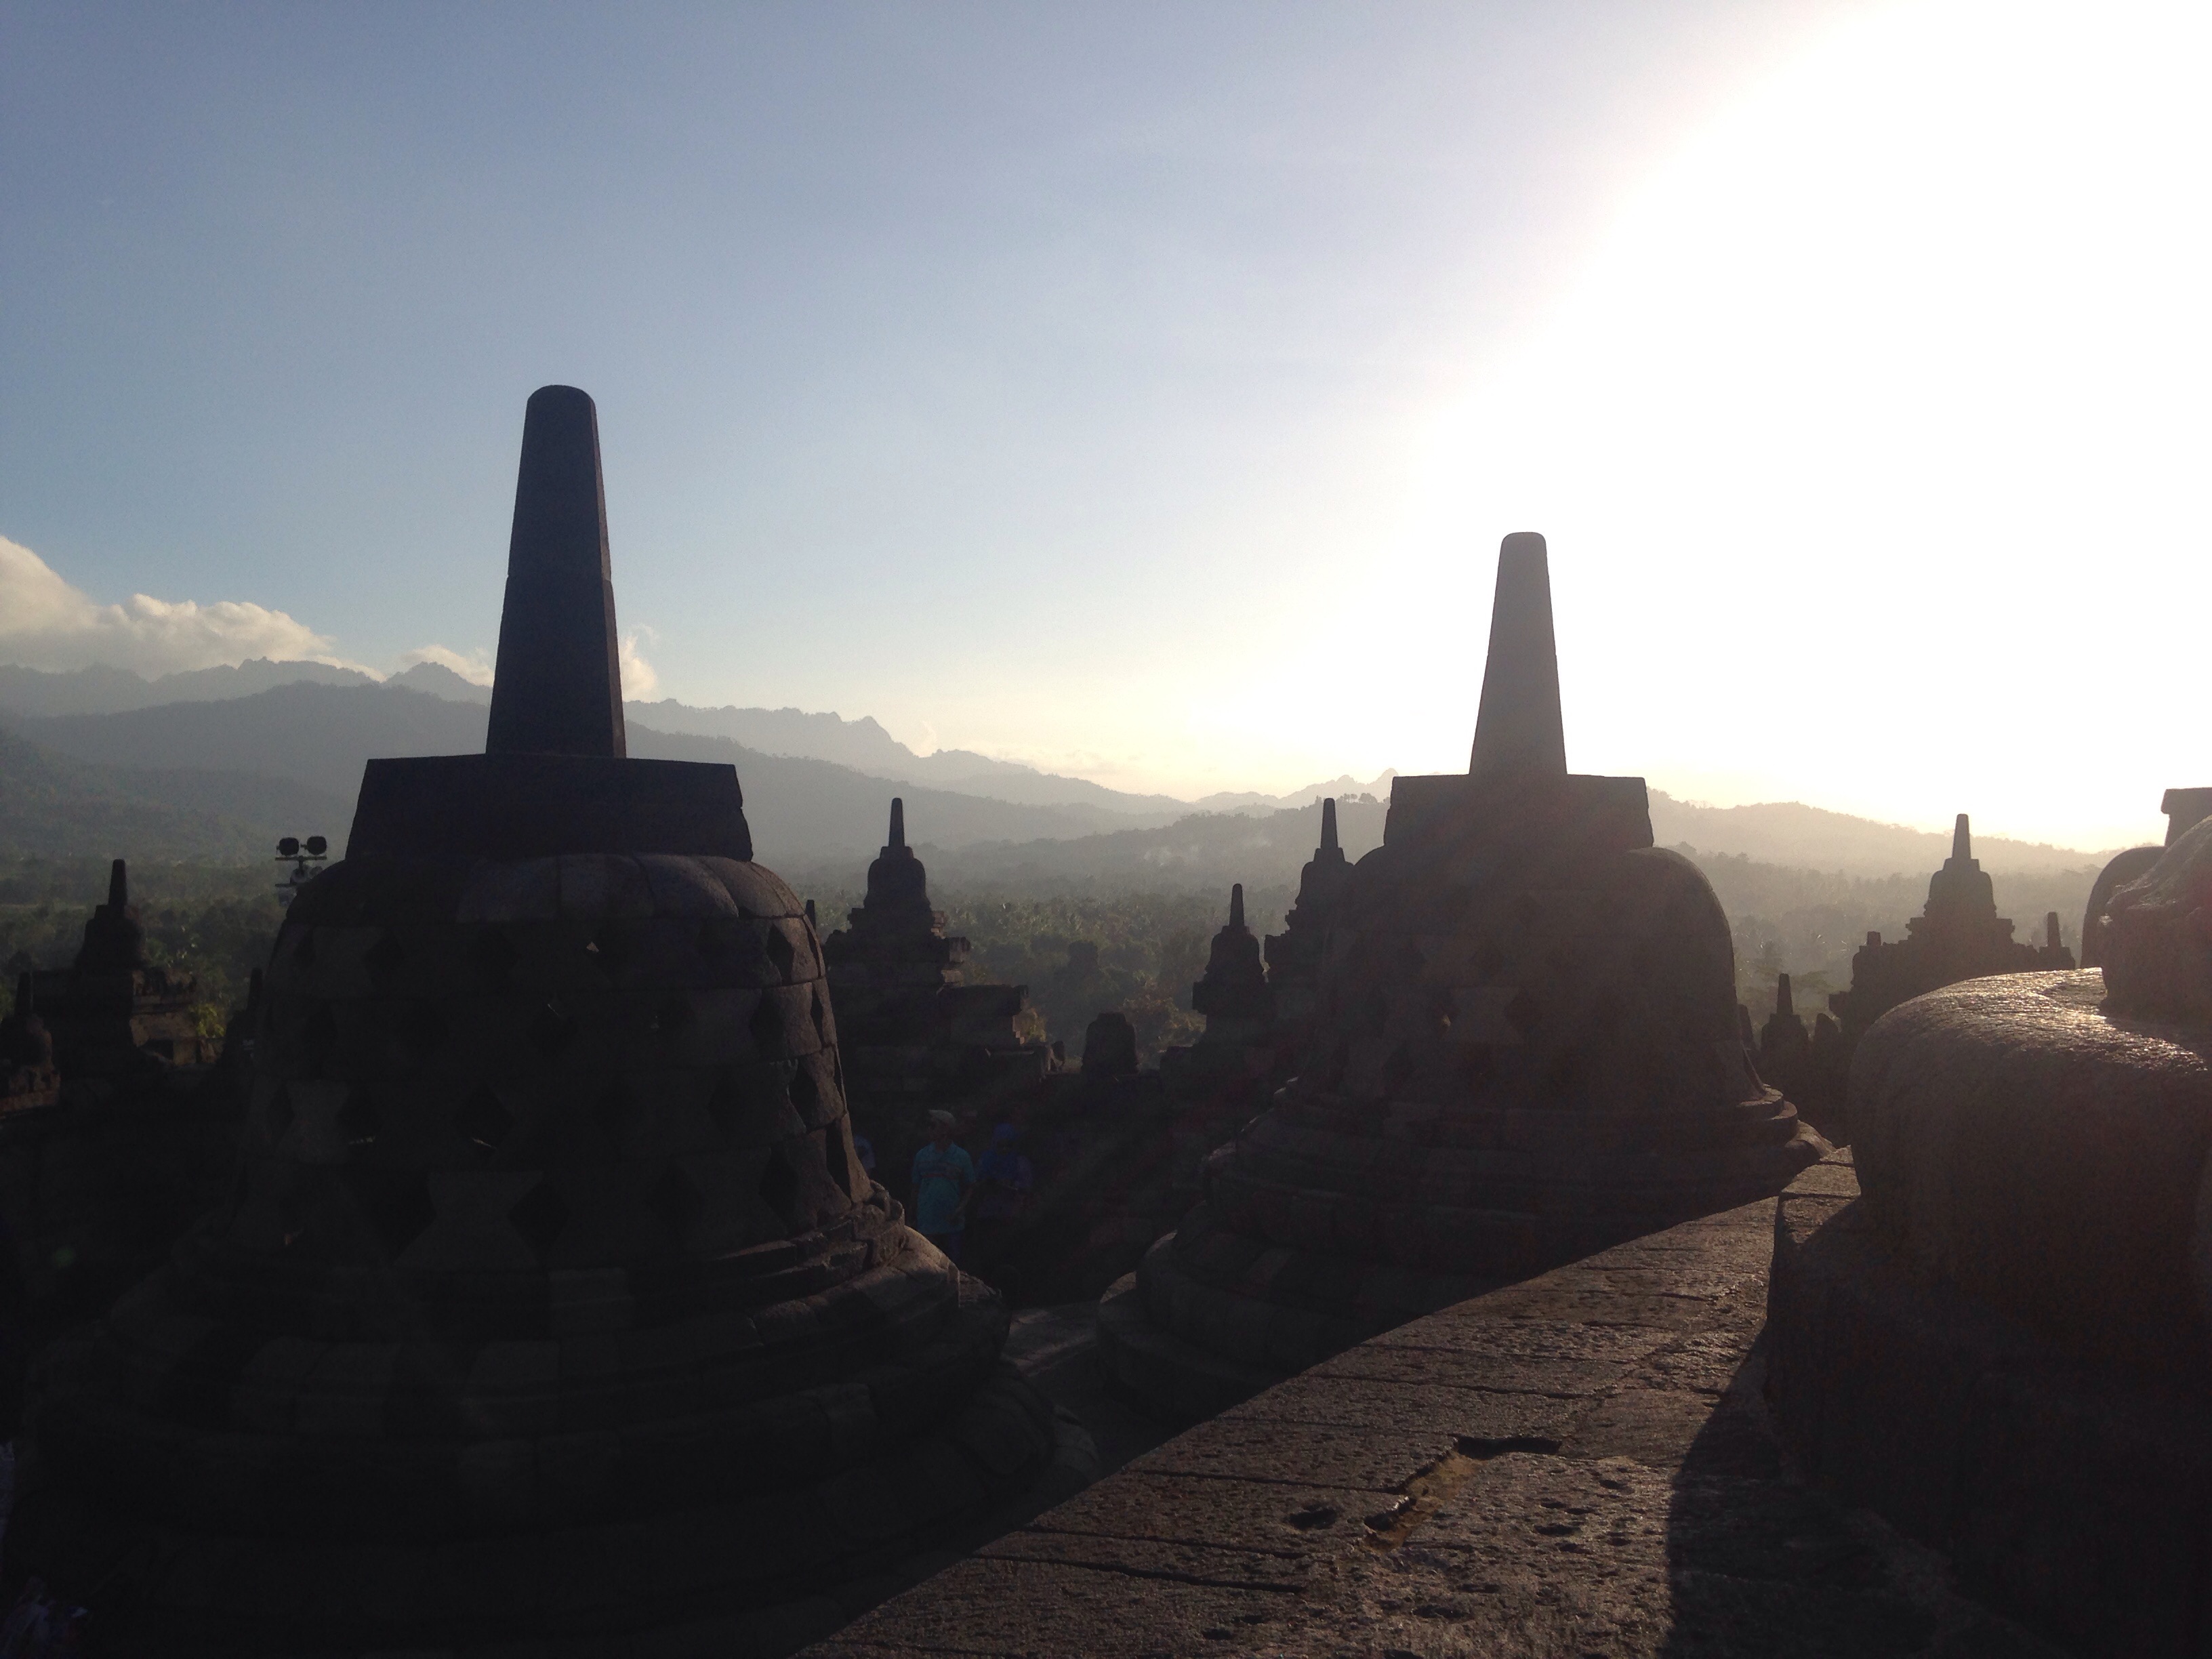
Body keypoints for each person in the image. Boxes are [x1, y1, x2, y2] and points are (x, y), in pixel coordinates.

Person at [909, 1109, 975, 1263]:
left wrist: (959, 1210)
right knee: (927, 1264)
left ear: (945, 1129)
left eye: (933, 1126)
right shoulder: (922, 1155)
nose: (929, 1130)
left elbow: (971, 1186)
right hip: (927, 1220)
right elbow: (915, 1187)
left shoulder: (962, 1157)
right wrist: (911, 1215)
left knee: (953, 1264)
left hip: (952, 1222)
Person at [969, 1123, 1036, 1261]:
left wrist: (1012, 1184)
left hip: (1010, 1216)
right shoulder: (986, 1160)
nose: (1005, 1149)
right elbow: (974, 1183)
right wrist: (988, 1182)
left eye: (1008, 1145)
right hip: (987, 1215)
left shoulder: (1020, 1162)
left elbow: (1027, 1187)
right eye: (1001, 1145)